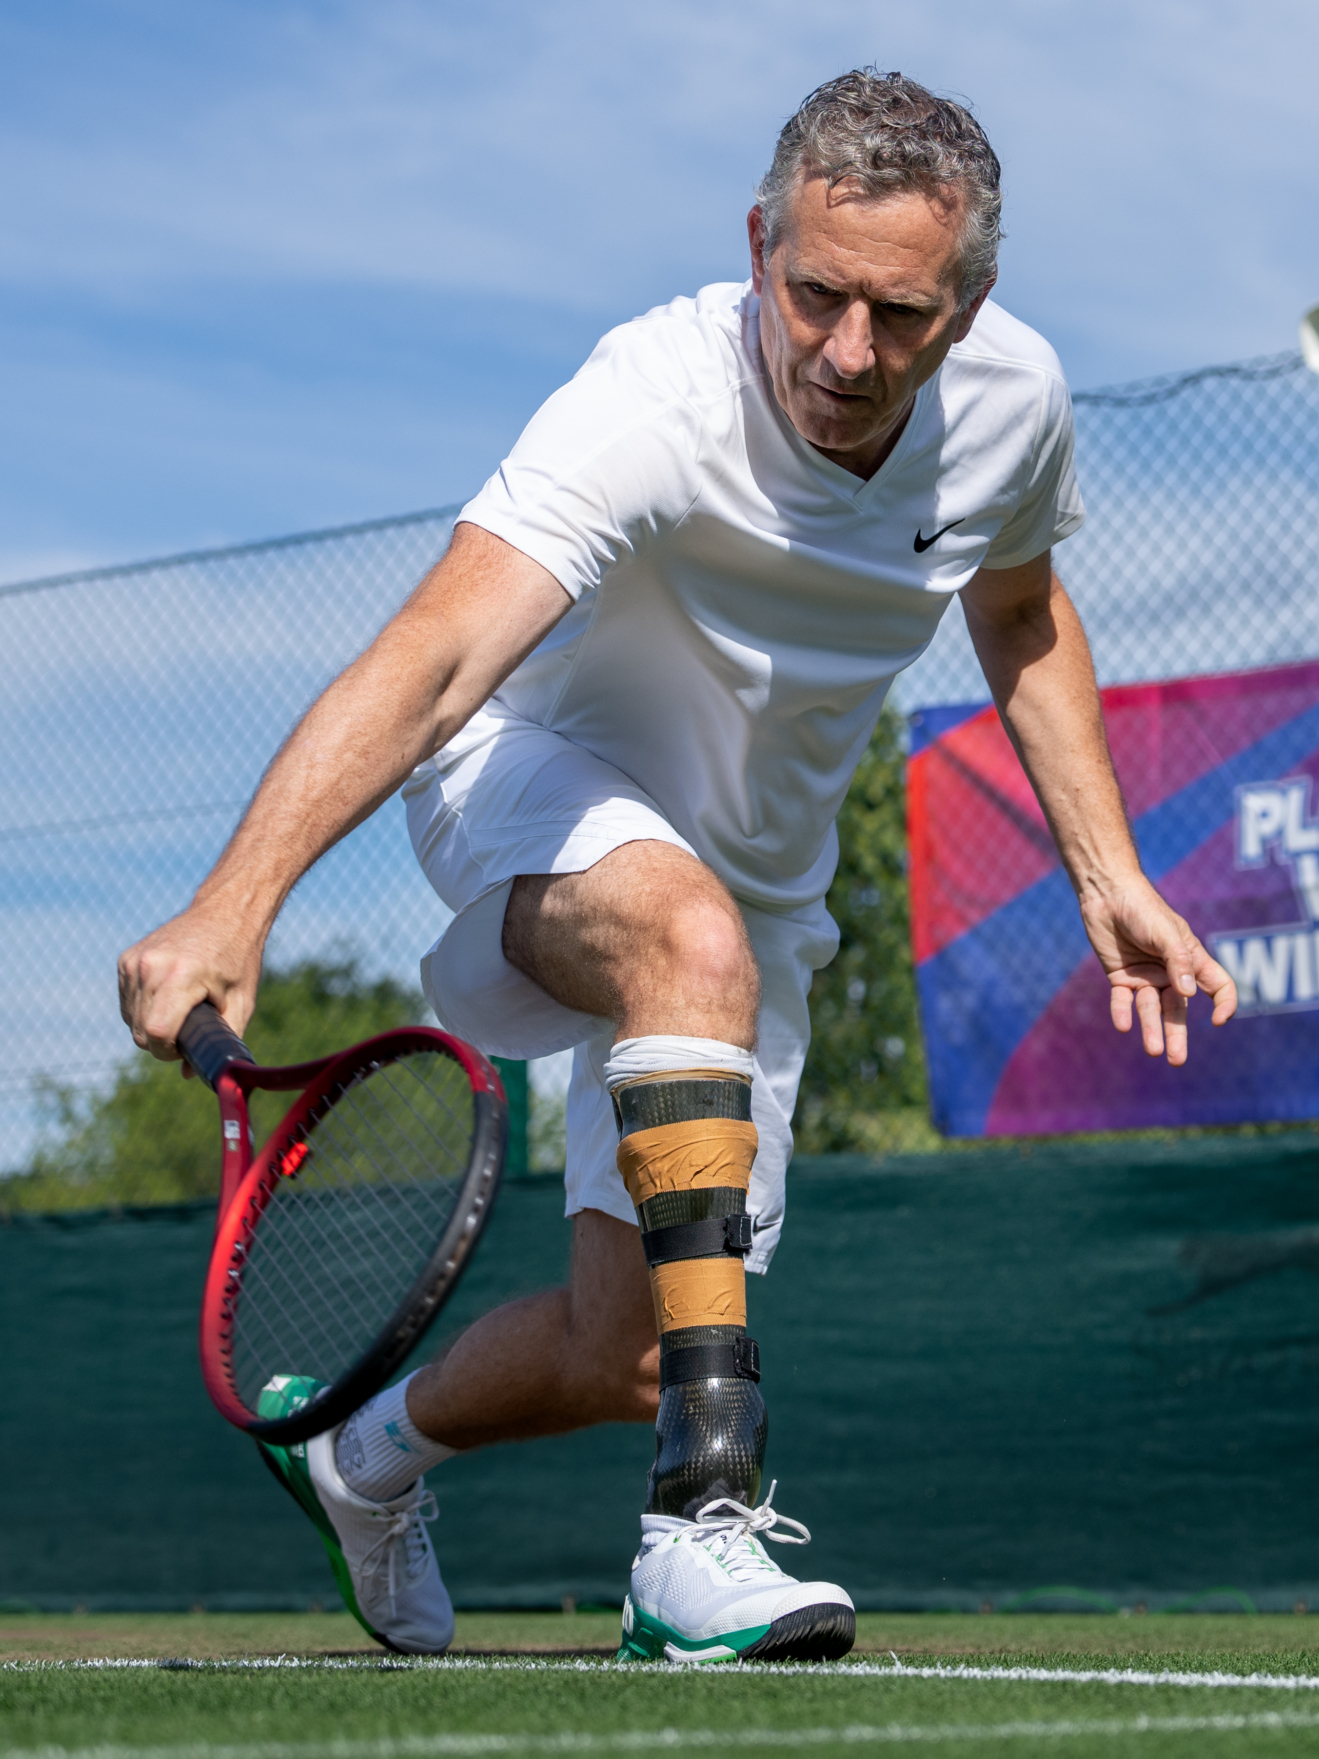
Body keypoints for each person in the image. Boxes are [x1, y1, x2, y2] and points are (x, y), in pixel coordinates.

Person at [117, 68, 1236, 1665]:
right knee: (681, 935)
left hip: (758, 879)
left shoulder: (1016, 401)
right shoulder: (649, 395)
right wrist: (240, 898)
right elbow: (437, 656)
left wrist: (1104, 866)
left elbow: (1019, 607)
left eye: (902, 316)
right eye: (817, 293)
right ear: (760, 243)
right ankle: (702, 1523)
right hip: (526, 777)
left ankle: (359, 1460)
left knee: (620, 1347)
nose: (850, 353)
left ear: (971, 303)